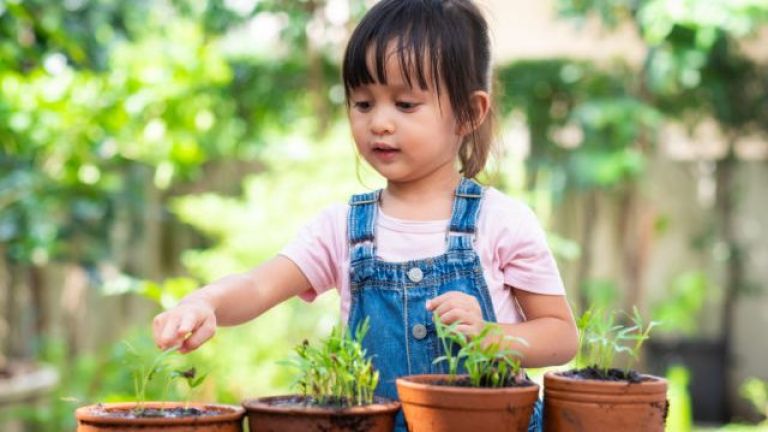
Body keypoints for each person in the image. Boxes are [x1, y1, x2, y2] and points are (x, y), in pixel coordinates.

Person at [153, 0, 578, 430]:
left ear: (469, 112)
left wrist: (491, 336)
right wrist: (205, 302)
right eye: (363, 103)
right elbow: (258, 285)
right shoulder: (343, 229)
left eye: (406, 104)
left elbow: (561, 336)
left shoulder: (501, 221)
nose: (380, 122)